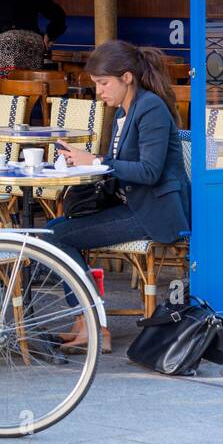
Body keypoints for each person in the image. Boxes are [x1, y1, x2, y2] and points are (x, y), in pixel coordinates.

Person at [47, 40, 191, 354]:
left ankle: (94, 325)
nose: (98, 91)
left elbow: (150, 171)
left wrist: (96, 162)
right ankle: (83, 323)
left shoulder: (149, 107)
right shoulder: (128, 109)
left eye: (102, 83)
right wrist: (87, 162)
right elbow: (121, 165)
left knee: (56, 237)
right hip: (135, 206)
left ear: (126, 77)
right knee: (54, 228)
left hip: (154, 213)